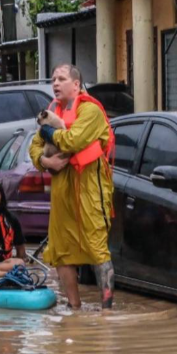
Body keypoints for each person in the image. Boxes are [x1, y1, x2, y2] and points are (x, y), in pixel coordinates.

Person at [28, 63, 116, 310]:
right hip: (61, 191)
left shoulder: (90, 111)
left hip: (89, 190)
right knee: (61, 250)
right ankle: (74, 307)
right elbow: (33, 147)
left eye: (61, 79)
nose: (55, 83)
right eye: (53, 79)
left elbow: (72, 140)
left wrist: (47, 132)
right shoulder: (52, 110)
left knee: (98, 249)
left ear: (76, 84)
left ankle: (107, 312)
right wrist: (46, 161)